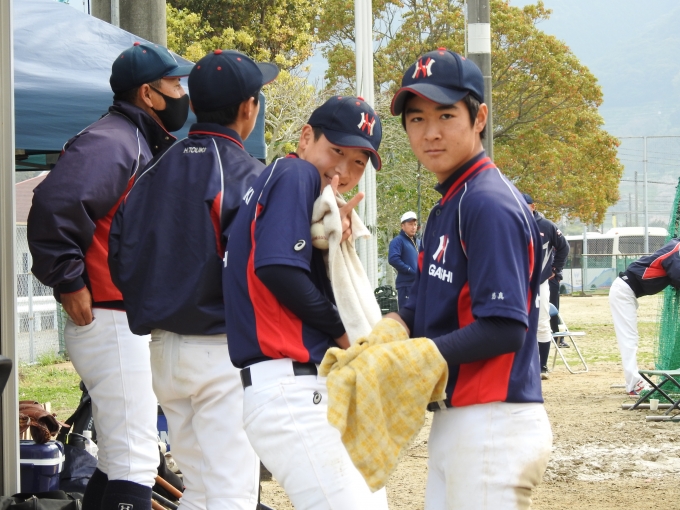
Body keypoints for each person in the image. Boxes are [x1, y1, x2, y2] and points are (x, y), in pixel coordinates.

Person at [109, 50, 278, 510]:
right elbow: (267, 272)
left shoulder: (154, 166)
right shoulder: (248, 174)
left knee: (201, 491)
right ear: (248, 107)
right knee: (231, 494)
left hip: (163, 349)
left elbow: (119, 252)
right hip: (220, 351)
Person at [27, 43, 192, 510]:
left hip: (119, 316)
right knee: (136, 459)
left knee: (120, 456)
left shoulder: (133, 138)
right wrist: (68, 280)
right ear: (147, 93)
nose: (182, 93)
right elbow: (53, 206)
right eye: (174, 84)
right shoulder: (114, 140)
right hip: (107, 315)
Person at [386, 48, 552, 509]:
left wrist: (415, 357)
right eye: (416, 119)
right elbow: (426, 304)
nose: (430, 132)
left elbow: (505, 326)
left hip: (493, 422)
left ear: (479, 118)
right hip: (461, 419)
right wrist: (394, 326)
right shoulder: (451, 202)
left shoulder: (486, 202)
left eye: (445, 115)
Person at [222, 96, 389, 510]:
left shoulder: (284, 181)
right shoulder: (295, 172)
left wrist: (325, 239)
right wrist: (342, 331)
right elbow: (278, 268)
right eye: (337, 151)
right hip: (289, 387)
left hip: (300, 386)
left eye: (358, 162)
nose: (343, 170)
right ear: (306, 137)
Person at [609, 238, 680, 395]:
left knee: (630, 338)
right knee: (629, 339)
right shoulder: (676, 248)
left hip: (628, 292)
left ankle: (633, 382)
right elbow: (677, 275)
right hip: (623, 292)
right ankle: (634, 384)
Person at [522, 193, 570, 379]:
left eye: (525, 205)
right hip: (517, 282)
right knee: (517, 323)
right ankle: (521, 366)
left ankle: (542, 366)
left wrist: (555, 269)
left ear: (533, 206)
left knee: (542, 322)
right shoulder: (511, 223)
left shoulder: (547, 226)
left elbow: (564, 247)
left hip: (540, 282)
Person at [388, 211, 420, 308]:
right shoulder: (398, 241)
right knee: (407, 314)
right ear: (402, 226)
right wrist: (409, 270)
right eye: (410, 224)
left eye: (415, 224)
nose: (413, 227)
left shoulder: (418, 242)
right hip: (406, 285)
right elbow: (393, 259)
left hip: (419, 284)